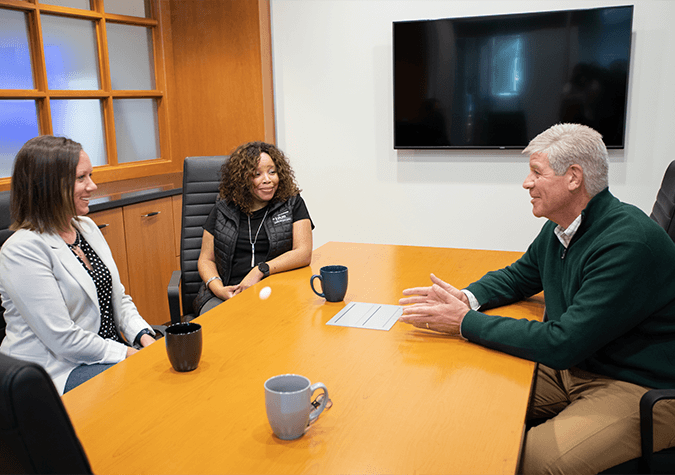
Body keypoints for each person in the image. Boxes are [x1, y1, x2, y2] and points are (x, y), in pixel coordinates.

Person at [398, 123, 675, 474]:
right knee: (467, 393)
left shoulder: (628, 244)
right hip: (582, 362)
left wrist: (464, 322)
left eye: (536, 172)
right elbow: (519, 276)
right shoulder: (563, 226)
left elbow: (562, 343)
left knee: (533, 460)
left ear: (574, 178)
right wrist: (467, 299)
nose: (526, 183)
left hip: (637, 383)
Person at [0, 136, 156, 395]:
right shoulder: (22, 251)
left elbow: (118, 297)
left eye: (91, 175)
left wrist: (144, 337)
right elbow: (62, 338)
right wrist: (130, 354)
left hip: (105, 351)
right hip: (55, 369)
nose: (93, 186)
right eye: (81, 178)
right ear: (48, 186)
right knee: (145, 387)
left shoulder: (86, 228)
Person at [194, 141, 313, 314]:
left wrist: (260, 270)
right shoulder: (222, 208)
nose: (268, 179)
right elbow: (206, 259)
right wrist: (219, 288)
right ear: (242, 179)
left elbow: (303, 252)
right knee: (219, 330)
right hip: (226, 293)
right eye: (257, 174)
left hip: (273, 290)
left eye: (272, 172)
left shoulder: (292, 203)